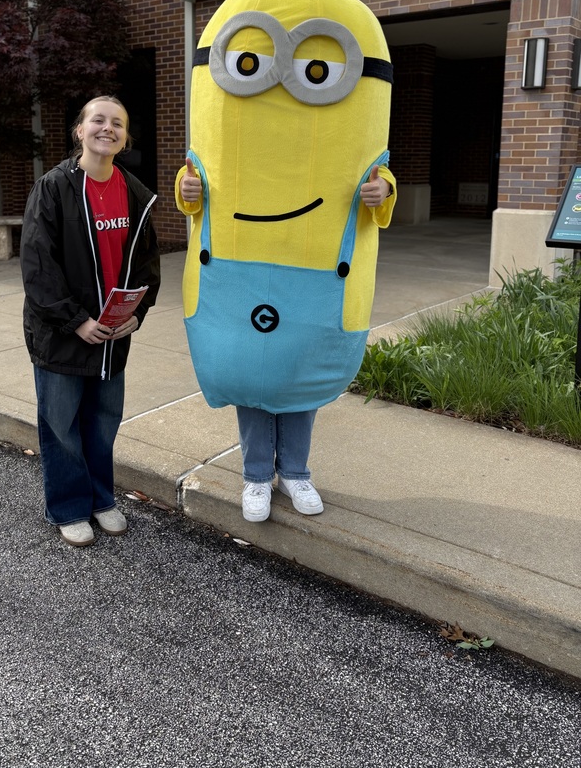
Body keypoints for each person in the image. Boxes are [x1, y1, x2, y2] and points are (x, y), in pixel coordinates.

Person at [177, 161, 393, 523]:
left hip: (308, 256)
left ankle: (295, 472)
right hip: (246, 255)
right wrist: (186, 188)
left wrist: (384, 188)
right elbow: (202, 167)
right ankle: (257, 476)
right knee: (250, 376)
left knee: (299, 372)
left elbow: (373, 163)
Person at [21, 96, 160, 547]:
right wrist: (75, 320)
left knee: (102, 423)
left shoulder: (135, 193)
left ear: (125, 137)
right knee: (61, 426)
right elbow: (37, 266)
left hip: (112, 334)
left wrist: (137, 313)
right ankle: (68, 507)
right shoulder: (53, 188)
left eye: (117, 123)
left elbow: (146, 263)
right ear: (79, 131)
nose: (107, 128)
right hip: (62, 334)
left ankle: (102, 500)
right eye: (97, 120)